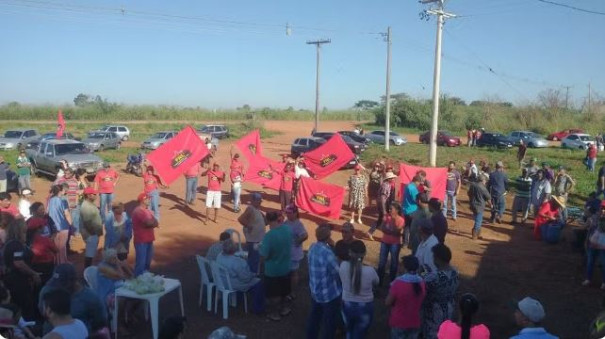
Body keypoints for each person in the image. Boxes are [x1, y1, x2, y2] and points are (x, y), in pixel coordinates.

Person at [38, 264, 107, 336]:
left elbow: (100, 323)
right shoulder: (47, 290)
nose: (57, 287)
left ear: (73, 281)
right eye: (56, 283)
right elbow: (43, 313)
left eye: (61, 284)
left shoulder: (91, 298)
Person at [306, 224, 341, 339]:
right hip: (328, 294)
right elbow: (337, 272)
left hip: (315, 290)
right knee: (330, 322)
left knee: (314, 317)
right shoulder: (328, 253)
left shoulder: (312, 247)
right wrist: (333, 246)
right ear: (328, 237)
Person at [338, 240, 378, 339]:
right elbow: (376, 282)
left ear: (350, 253)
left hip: (347, 304)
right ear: (364, 254)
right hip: (365, 306)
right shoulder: (370, 271)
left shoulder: (343, 266)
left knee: (349, 330)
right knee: (360, 333)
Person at [3, 219, 40, 320]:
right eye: (24, 230)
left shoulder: (14, 243)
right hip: (17, 281)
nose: (26, 232)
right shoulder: (16, 244)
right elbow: (18, 263)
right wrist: (33, 274)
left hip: (16, 280)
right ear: (18, 230)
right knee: (24, 308)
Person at [259, 211, 292, 321]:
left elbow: (264, 256)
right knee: (284, 290)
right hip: (286, 266)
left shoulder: (269, 236)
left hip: (273, 270)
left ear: (267, 221)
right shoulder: (287, 229)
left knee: (274, 294)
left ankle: (275, 314)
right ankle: (284, 309)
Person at [216, 239, 264, 313]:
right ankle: (258, 308)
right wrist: (253, 275)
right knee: (259, 283)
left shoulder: (219, 256)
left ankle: (239, 299)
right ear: (233, 249)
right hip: (233, 284)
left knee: (243, 278)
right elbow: (246, 278)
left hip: (222, 282)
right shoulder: (237, 262)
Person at [422, 244, 459, 338]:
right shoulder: (455, 272)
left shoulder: (434, 277)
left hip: (434, 311)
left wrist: (422, 273)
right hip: (449, 307)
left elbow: (423, 290)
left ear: (438, 258)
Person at [386, 256, 426, 339]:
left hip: (399, 321)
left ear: (404, 267)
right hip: (415, 321)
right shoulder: (421, 282)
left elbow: (388, 302)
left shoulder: (398, 283)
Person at [96, 248, 133, 314]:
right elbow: (121, 276)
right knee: (127, 299)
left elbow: (131, 275)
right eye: (114, 258)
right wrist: (119, 265)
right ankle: (121, 317)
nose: (116, 259)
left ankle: (127, 316)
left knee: (131, 294)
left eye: (116, 257)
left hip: (114, 288)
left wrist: (126, 266)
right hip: (106, 294)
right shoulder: (103, 267)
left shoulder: (112, 263)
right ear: (109, 259)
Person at [283, 204, 308, 301]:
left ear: (295, 213)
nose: (288, 215)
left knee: (293, 273)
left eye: (289, 213)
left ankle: (292, 292)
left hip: (294, 254)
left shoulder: (298, 224)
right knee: (287, 273)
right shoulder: (287, 222)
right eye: (287, 213)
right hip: (287, 252)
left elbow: (305, 235)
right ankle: (287, 290)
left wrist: (297, 241)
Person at [27, 208, 58, 285]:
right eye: (42, 226)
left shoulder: (26, 240)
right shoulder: (44, 240)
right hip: (47, 266)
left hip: (32, 266)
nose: (44, 227)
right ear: (39, 228)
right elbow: (56, 250)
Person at [377, 202, 404, 285]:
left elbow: (398, 232)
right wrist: (391, 231)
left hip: (394, 243)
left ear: (397, 210)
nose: (389, 210)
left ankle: (392, 281)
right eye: (389, 208)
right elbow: (382, 228)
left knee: (394, 262)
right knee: (382, 261)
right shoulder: (386, 217)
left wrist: (388, 230)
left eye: (391, 209)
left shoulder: (400, 219)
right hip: (386, 242)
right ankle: (380, 280)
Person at [132, 192, 159, 276]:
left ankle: (145, 279)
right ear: (143, 200)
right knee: (141, 263)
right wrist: (152, 223)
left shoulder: (148, 211)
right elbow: (149, 223)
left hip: (149, 239)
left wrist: (152, 223)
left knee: (147, 262)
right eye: (147, 198)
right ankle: (137, 280)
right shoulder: (138, 211)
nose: (149, 200)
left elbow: (156, 222)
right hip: (141, 241)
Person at [237, 192, 265, 273]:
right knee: (254, 259)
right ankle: (252, 275)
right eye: (258, 200)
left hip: (257, 239)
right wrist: (248, 226)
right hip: (253, 240)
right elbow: (241, 219)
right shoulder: (250, 209)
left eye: (260, 200)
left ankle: (251, 274)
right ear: (253, 201)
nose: (260, 202)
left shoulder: (257, 210)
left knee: (254, 258)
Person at [47, 185, 72, 264]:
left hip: (52, 227)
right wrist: (71, 225)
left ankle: (56, 263)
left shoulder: (50, 200)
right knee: (62, 247)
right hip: (63, 227)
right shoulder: (63, 201)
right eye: (64, 190)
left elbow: (47, 213)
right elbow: (67, 214)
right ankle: (62, 263)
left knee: (55, 246)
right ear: (60, 191)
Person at [80, 187, 103, 268]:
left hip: (92, 233)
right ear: (88, 195)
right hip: (90, 234)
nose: (95, 195)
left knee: (91, 253)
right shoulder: (86, 206)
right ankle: (87, 272)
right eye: (94, 194)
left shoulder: (89, 204)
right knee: (89, 254)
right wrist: (94, 233)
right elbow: (87, 222)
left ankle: (88, 270)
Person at [54, 168, 81, 236]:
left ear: (72, 174)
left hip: (74, 202)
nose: (66, 175)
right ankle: (68, 233)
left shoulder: (75, 181)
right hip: (65, 203)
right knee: (66, 218)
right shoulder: (61, 181)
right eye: (65, 173)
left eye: (68, 173)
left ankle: (76, 232)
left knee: (75, 218)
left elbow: (77, 192)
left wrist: (76, 202)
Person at [583, 216, 605, 289]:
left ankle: (604, 283)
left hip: (601, 247)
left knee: (603, 264)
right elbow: (590, 231)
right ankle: (588, 279)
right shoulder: (595, 218)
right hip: (593, 245)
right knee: (590, 262)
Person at [468, 175, 492, 240]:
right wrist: (491, 205)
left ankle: (478, 234)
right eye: (485, 181)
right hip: (479, 206)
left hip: (473, 204)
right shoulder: (483, 188)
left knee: (477, 219)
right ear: (483, 180)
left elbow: (469, 193)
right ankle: (475, 234)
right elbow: (488, 198)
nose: (485, 182)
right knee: (478, 220)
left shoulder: (473, 186)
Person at [372, 172, 396, 238]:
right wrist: (384, 210)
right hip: (383, 204)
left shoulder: (387, 184)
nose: (394, 179)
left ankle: (370, 232)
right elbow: (383, 198)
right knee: (386, 219)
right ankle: (387, 234)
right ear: (389, 179)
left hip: (382, 204)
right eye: (392, 178)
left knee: (381, 219)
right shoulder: (386, 185)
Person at [402, 175, 422, 246]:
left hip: (406, 209)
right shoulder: (413, 189)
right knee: (413, 227)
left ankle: (405, 242)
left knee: (406, 226)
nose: (419, 184)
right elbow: (416, 200)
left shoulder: (407, 186)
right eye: (419, 183)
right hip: (413, 210)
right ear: (416, 181)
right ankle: (412, 242)